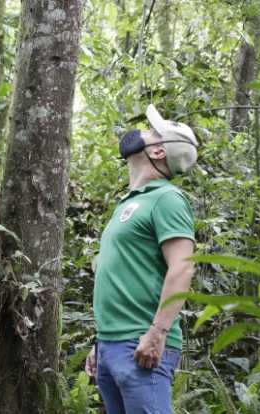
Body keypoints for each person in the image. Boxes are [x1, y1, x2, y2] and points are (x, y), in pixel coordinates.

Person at [85, 105, 198, 414]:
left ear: (159, 151)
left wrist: (157, 333)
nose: (142, 134)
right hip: (112, 345)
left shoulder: (166, 199)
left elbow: (182, 266)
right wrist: (101, 344)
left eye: (151, 133)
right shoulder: (130, 203)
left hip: (140, 341)